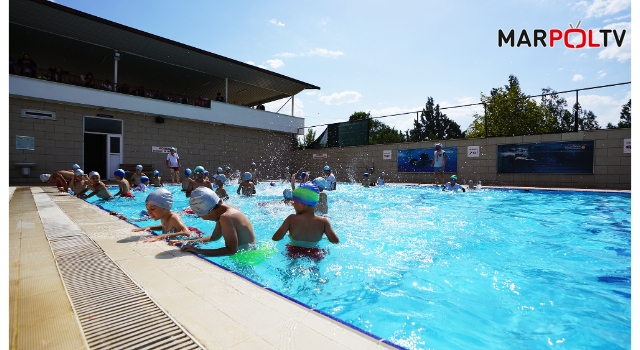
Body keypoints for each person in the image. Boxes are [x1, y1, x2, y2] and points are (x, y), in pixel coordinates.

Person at [176, 187, 257, 256]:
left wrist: (198, 251)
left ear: (208, 211)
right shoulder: (224, 212)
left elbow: (231, 251)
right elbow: (214, 238)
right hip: (249, 252)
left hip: (246, 256)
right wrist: (187, 242)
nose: (201, 218)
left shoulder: (226, 217)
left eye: (200, 215)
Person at [272, 183, 339, 262]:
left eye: (294, 202)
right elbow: (335, 241)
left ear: (302, 204)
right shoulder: (324, 222)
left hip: (294, 251)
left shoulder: (291, 219)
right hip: (315, 252)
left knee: (291, 268)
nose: (293, 204)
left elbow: (276, 238)